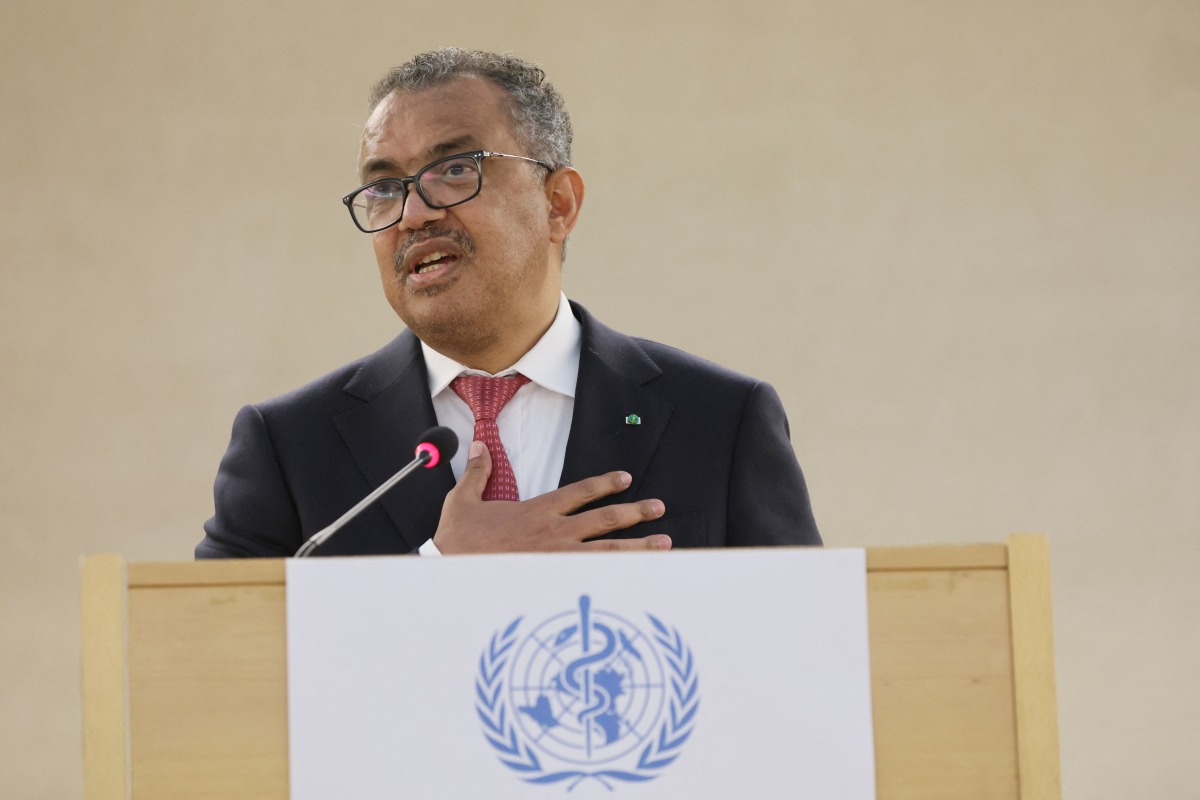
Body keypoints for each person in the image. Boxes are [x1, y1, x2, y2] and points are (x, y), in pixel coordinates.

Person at [196, 48, 820, 559]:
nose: (414, 212)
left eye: (455, 169)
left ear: (558, 204)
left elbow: (806, 656)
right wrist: (440, 571)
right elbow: (210, 665)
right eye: (385, 187)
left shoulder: (720, 420)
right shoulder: (289, 445)